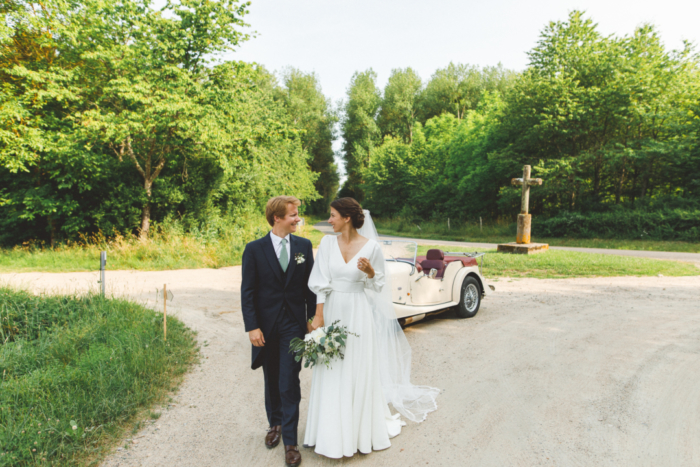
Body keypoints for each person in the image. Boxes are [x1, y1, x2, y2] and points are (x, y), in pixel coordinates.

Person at [304, 197, 439, 459]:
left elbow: (378, 287)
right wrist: (318, 317)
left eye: (332, 215)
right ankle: (328, 431)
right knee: (330, 366)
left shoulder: (372, 247)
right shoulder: (326, 244)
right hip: (332, 310)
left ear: (347, 218)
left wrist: (369, 272)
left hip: (358, 313)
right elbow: (319, 282)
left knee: (356, 366)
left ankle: (357, 432)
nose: (328, 220)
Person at [240, 196, 316, 467]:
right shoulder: (254, 249)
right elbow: (247, 291)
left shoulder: (304, 246)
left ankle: (290, 442)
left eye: (297, 214)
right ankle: (274, 423)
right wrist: (252, 327)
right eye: (293, 215)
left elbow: (310, 287)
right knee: (271, 378)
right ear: (277, 218)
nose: (298, 218)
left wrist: (311, 318)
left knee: (289, 380)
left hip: (293, 326)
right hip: (265, 326)